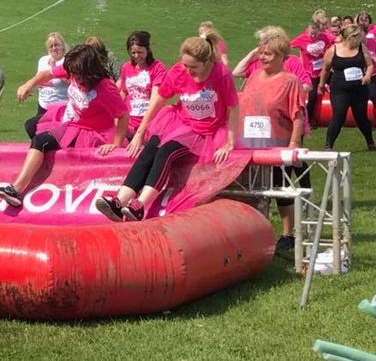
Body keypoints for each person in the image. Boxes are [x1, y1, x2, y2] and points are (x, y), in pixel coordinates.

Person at [95, 31, 239, 221]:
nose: (188, 70)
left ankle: (140, 206)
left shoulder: (221, 74)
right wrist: (140, 133)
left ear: (206, 62)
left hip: (203, 130)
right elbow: (158, 101)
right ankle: (119, 201)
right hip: (178, 121)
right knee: (151, 148)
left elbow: (233, 108)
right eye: (185, 65)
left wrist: (229, 142)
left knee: (166, 151)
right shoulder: (179, 71)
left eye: (193, 67)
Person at [0, 44, 129, 206]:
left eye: (76, 74)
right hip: (71, 119)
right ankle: (45, 166)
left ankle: (16, 190)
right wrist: (28, 85)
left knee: (41, 141)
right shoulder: (74, 68)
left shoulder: (105, 88)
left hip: (91, 131)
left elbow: (123, 115)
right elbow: (46, 74)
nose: (72, 76)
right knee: (31, 125)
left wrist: (116, 144)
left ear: (88, 71)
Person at [235, 27, 307, 256]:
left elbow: (297, 115)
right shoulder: (254, 76)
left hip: (277, 145)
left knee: (280, 189)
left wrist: (292, 146)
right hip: (250, 144)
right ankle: (252, 234)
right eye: (262, 53)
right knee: (251, 190)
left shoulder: (290, 80)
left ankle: (288, 234)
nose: (264, 58)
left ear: (282, 56)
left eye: (269, 54)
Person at [318, 24, 375, 150]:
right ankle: (328, 145)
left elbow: (370, 65)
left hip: (359, 90)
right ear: (351, 37)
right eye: (359, 37)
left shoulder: (361, 48)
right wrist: (321, 85)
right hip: (340, 90)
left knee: (361, 117)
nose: (361, 39)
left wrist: (367, 76)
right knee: (339, 115)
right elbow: (325, 69)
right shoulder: (333, 50)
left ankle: (370, 142)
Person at [118, 31, 167, 138]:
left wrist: (142, 129)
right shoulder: (126, 67)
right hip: (129, 120)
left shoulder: (158, 67)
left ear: (148, 49)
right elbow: (123, 92)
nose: (136, 56)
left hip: (150, 120)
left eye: (140, 52)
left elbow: (156, 99)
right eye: (133, 52)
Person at [23, 32, 68, 139]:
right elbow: (39, 78)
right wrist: (30, 89)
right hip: (44, 104)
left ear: (62, 45)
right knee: (35, 130)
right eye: (51, 46)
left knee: (35, 128)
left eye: (56, 45)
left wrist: (54, 69)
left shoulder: (67, 61)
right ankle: (42, 152)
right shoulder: (43, 60)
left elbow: (69, 82)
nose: (54, 48)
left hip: (61, 107)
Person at [291, 21, 334, 126]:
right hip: (311, 73)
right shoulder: (302, 38)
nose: (313, 36)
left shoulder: (325, 36)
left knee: (337, 85)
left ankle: (336, 115)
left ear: (320, 32)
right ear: (308, 30)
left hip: (324, 70)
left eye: (315, 34)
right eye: (311, 33)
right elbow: (289, 45)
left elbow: (336, 40)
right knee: (313, 95)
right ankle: (308, 120)